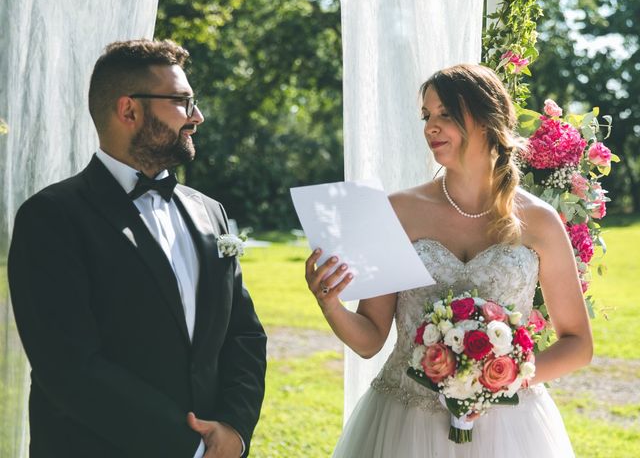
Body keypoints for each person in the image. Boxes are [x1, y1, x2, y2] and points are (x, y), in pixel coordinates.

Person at [305, 64, 592, 457]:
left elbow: (578, 344)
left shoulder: (539, 220)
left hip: (509, 429)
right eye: (427, 116)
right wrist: (330, 303)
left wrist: (501, 380)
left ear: (487, 119)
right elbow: (370, 338)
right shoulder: (396, 210)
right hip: (406, 422)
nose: (430, 127)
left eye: (445, 114)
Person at [8, 39, 267, 458]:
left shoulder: (209, 211)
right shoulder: (51, 217)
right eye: (183, 102)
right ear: (129, 110)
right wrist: (190, 448)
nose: (196, 116)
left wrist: (234, 429)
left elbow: (244, 333)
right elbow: (70, 367)